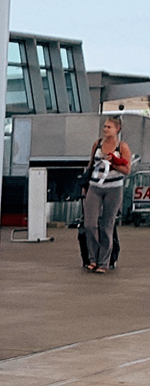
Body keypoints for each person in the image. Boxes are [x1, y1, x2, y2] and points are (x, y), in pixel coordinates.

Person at [82, 115, 131, 273]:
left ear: (117, 129)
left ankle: (104, 262)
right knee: (90, 224)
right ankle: (92, 258)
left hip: (113, 188)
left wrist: (114, 163)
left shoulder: (122, 147)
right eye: (104, 126)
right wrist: (85, 183)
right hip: (95, 186)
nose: (105, 129)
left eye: (109, 127)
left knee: (107, 225)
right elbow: (91, 164)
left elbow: (127, 170)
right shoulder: (97, 144)